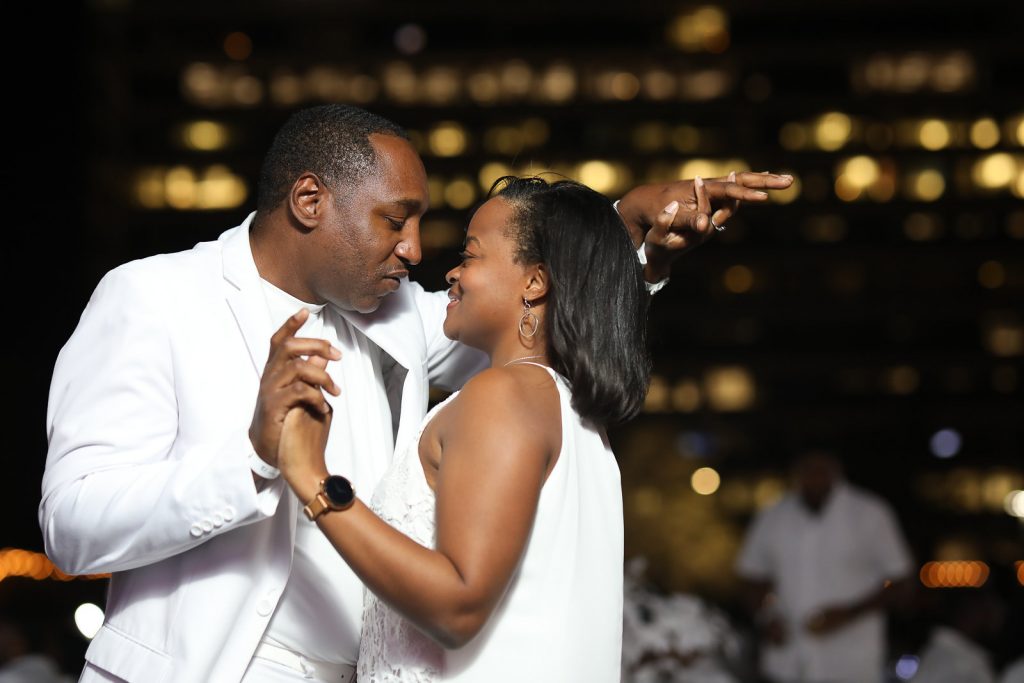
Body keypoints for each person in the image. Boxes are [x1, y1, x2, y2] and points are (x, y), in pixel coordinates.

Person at [41, 104, 793, 682]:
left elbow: (531, 308)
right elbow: (71, 525)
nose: (416, 251)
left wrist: (625, 227)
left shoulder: (395, 312)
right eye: (394, 219)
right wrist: (250, 462)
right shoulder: (153, 297)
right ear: (310, 200)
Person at [273, 176, 661, 680]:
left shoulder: (503, 395)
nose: (452, 272)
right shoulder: (566, 408)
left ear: (535, 281)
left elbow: (458, 606)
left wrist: (312, 478)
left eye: (471, 254)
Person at [735, 451, 914, 683]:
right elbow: (751, 576)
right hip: (788, 660)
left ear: (835, 469)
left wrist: (849, 613)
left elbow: (900, 580)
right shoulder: (773, 515)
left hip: (850, 662)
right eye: (807, 469)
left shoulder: (870, 513)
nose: (814, 477)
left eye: (821, 469)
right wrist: (766, 616)